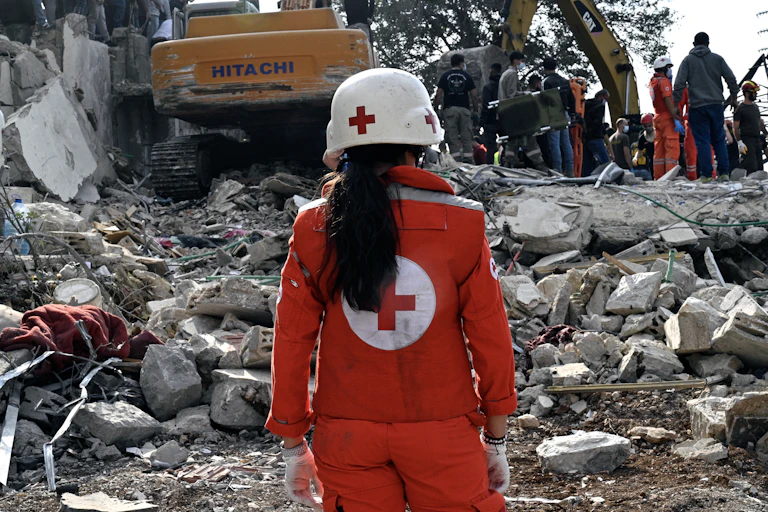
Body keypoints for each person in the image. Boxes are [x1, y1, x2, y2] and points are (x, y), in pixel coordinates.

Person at [270, 68, 516, 511]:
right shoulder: (461, 223)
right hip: (442, 431)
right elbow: (490, 334)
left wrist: (292, 441)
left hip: (346, 437)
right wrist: (495, 436)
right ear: (420, 143)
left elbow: (291, 340)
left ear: (341, 147)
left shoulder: (313, 226)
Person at [673, 32, 739, 181]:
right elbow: (731, 78)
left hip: (697, 107)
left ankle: (707, 175)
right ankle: (723, 174)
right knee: (719, 140)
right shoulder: (717, 59)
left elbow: (679, 84)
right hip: (716, 105)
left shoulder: (688, 61)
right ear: (708, 43)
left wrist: (676, 104)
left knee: (702, 141)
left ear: (693, 44)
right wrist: (734, 98)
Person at [498, 51, 548, 170]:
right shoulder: (512, 74)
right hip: (513, 112)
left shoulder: (505, 74)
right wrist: (526, 94)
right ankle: (540, 165)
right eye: (522, 61)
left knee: (513, 140)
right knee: (529, 138)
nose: (523, 64)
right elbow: (511, 95)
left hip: (507, 113)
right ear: (516, 61)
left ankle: (508, 164)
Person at [434, 54, 479, 163]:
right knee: (466, 137)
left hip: (450, 111)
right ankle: (468, 160)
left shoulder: (445, 76)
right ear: (461, 63)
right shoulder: (467, 76)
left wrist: (436, 108)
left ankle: (456, 161)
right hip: (465, 110)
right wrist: (476, 111)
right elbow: (474, 95)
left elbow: (439, 94)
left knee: (452, 137)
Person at [649, 57, 683, 180]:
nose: (670, 70)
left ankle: (658, 177)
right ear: (664, 68)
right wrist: (674, 114)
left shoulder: (653, 81)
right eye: (668, 68)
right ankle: (670, 176)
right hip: (666, 117)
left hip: (657, 117)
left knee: (659, 151)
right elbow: (667, 99)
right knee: (672, 148)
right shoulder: (663, 81)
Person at [542, 57, 576, 177]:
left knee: (554, 143)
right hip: (565, 113)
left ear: (545, 68)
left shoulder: (546, 82)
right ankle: (570, 169)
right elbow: (572, 98)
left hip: (553, 114)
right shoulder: (564, 80)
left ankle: (557, 169)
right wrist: (572, 113)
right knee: (566, 142)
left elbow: (544, 100)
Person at [734, 81, 767, 174]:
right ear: (747, 93)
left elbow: (760, 123)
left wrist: (766, 134)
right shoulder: (741, 108)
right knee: (751, 165)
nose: (756, 95)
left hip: (757, 139)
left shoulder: (755, 107)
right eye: (754, 92)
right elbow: (735, 127)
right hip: (747, 140)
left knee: (759, 165)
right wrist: (739, 142)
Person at [583, 89, 613, 175]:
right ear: (600, 97)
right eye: (606, 99)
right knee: (606, 163)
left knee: (587, 164)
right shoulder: (600, 106)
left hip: (586, 138)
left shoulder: (585, 105)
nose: (606, 102)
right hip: (596, 137)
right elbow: (598, 122)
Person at [480, 63, 502, 164]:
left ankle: (490, 166)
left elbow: (485, 105)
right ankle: (507, 164)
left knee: (490, 146)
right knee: (507, 144)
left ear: (491, 70)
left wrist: (482, 122)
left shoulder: (488, 87)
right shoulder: (503, 86)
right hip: (503, 118)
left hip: (490, 121)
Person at [633, 113, 655, 180]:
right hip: (651, 161)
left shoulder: (659, 133)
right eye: (645, 126)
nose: (648, 128)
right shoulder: (642, 138)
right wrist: (635, 158)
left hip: (660, 158)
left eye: (649, 125)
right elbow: (639, 151)